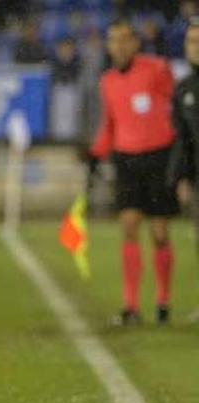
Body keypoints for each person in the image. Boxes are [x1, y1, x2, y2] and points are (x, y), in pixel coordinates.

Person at [84, 19, 178, 326]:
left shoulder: (157, 69)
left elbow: (174, 108)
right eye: (113, 40)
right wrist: (95, 156)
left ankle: (163, 302)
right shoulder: (107, 81)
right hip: (126, 159)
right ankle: (132, 306)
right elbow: (109, 125)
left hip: (158, 157)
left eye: (124, 40)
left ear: (135, 43)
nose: (119, 46)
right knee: (128, 227)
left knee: (160, 233)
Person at [169, 17, 199, 319]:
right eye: (191, 41)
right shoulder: (183, 89)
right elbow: (183, 139)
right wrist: (181, 178)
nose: (196, 47)